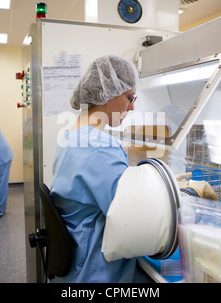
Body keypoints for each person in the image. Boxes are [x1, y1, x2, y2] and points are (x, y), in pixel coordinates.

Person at [50, 55, 138, 282]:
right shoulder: (99, 145)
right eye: (129, 97)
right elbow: (132, 217)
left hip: (75, 267)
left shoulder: (70, 136)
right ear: (108, 92)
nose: (132, 106)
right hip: (96, 272)